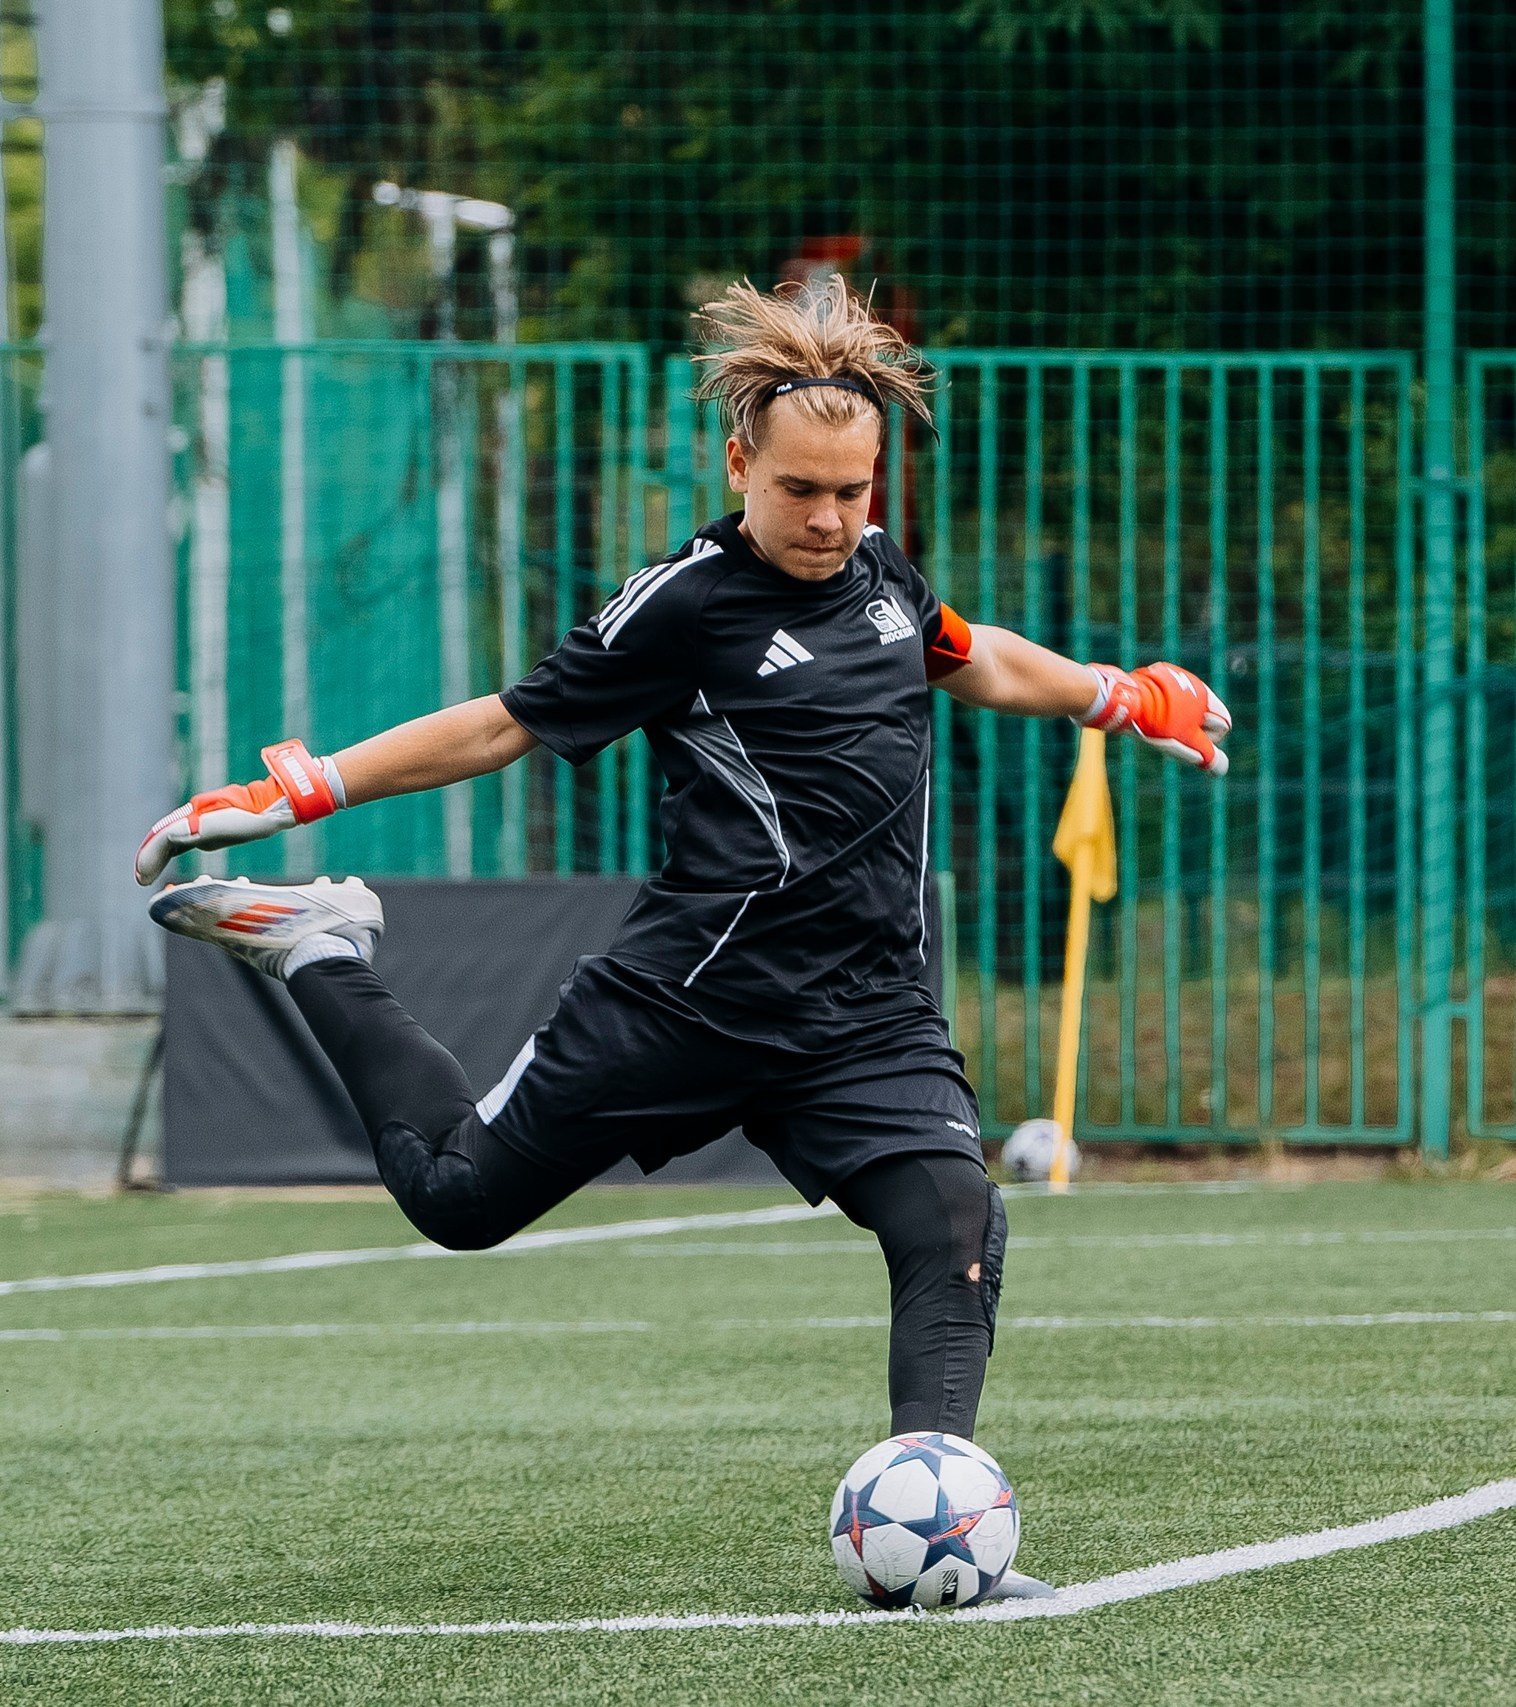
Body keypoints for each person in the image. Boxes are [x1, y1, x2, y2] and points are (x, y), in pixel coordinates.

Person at [135, 281, 1231, 1565]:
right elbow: (501, 724)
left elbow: (969, 652)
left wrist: (1115, 694)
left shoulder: (881, 574)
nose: (829, 519)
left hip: (864, 1015)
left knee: (952, 1219)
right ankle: (319, 943)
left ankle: (936, 1514)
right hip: (685, 1004)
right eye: (801, 491)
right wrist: (307, 784)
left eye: (854, 491)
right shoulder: (683, 604)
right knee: (455, 1202)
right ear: (738, 462)